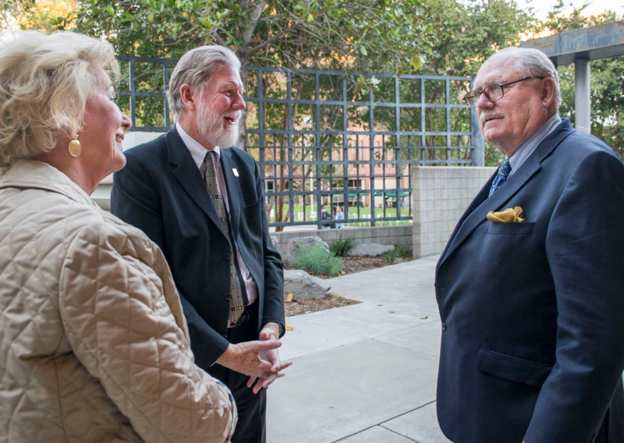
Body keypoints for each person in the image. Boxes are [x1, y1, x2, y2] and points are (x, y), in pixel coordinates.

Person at [0, 31, 240, 443]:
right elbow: (194, 423)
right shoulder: (93, 245)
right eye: (111, 97)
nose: (125, 118)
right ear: (67, 113)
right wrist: (226, 398)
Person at [435, 47, 624, 443]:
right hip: (493, 410)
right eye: (476, 94)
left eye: (497, 88)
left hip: (533, 418)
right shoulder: (513, 167)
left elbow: (592, 345)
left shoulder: (586, 166)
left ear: (546, 92)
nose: (483, 102)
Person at [111, 45, 289, 443]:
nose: (241, 104)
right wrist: (223, 353)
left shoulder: (245, 166)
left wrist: (270, 331)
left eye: (240, 93)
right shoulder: (140, 170)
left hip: (251, 355)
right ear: (189, 96)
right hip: (189, 359)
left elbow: (266, 256)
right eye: (229, 92)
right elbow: (148, 284)